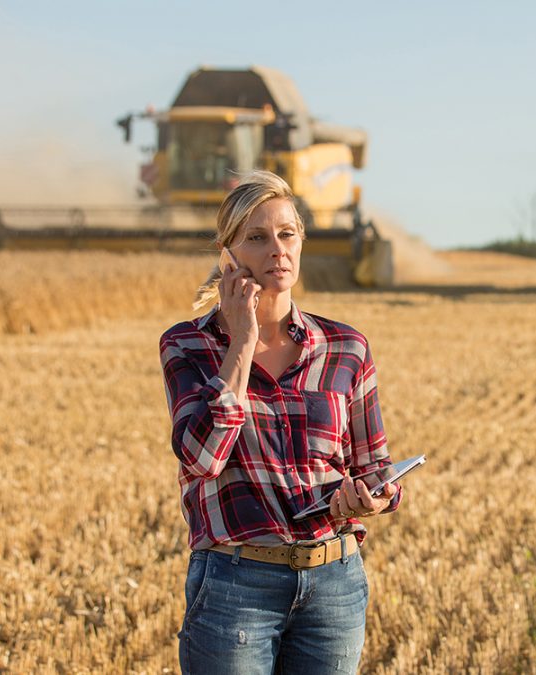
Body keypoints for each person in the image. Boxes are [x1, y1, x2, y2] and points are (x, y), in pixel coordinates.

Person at [159, 170, 401, 674]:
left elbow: (376, 468)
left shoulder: (345, 347)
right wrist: (242, 341)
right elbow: (202, 458)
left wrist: (373, 496)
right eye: (257, 237)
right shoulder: (189, 345)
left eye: (287, 234)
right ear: (228, 255)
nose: (277, 249)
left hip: (334, 586)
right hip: (234, 585)